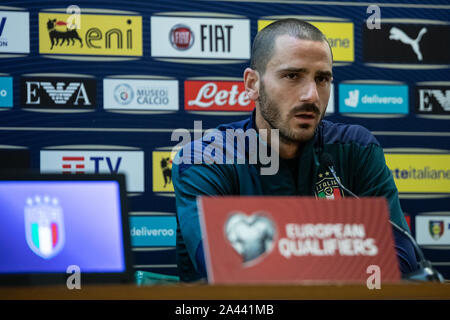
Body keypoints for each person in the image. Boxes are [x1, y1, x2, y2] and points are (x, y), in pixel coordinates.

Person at [172, 19, 419, 282]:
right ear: (252, 84)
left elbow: (401, 264)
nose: (311, 95)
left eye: (322, 78)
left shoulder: (356, 149)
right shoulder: (205, 159)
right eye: (292, 76)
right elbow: (227, 270)